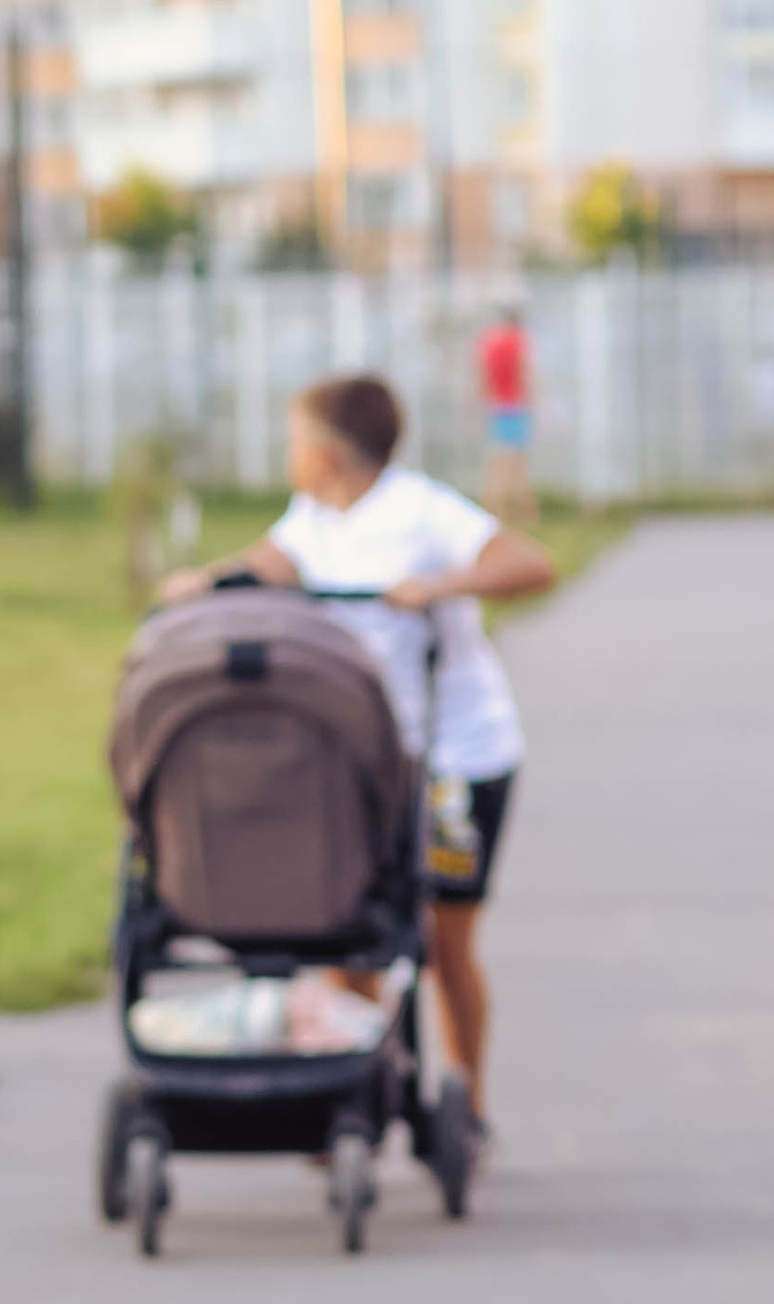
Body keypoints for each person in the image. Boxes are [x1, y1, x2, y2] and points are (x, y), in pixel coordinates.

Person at [160, 373, 554, 1125]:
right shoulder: (315, 518)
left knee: (442, 939)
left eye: (293, 441)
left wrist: (440, 586)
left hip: (456, 760)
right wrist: (203, 584)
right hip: (369, 765)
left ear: (321, 456)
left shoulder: (420, 512)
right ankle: (350, 1088)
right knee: (349, 924)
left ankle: (465, 1099)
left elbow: (529, 565)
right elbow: (269, 562)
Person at [477, 302, 536, 525]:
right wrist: (532, 402)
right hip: (515, 405)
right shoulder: (518, 341)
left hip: (496, 405)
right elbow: (524, 372)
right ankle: (518, 515)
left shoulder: (490, 341)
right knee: (514, 465)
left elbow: (482, 374)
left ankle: (500, 512)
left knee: (499, 463)